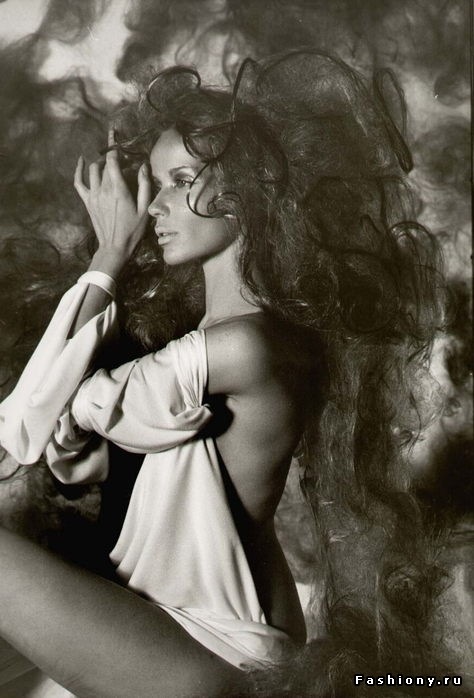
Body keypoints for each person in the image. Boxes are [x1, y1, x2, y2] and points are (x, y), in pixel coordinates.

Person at [0, 51, 447, 697]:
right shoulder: (222, 342)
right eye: (156, 183)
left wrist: (110, 253)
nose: (154, 207)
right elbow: (77, 447)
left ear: (248, 193)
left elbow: (30, 423)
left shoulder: (247, 346)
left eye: (181, 180)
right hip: (164, 627)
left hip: (203, 646)